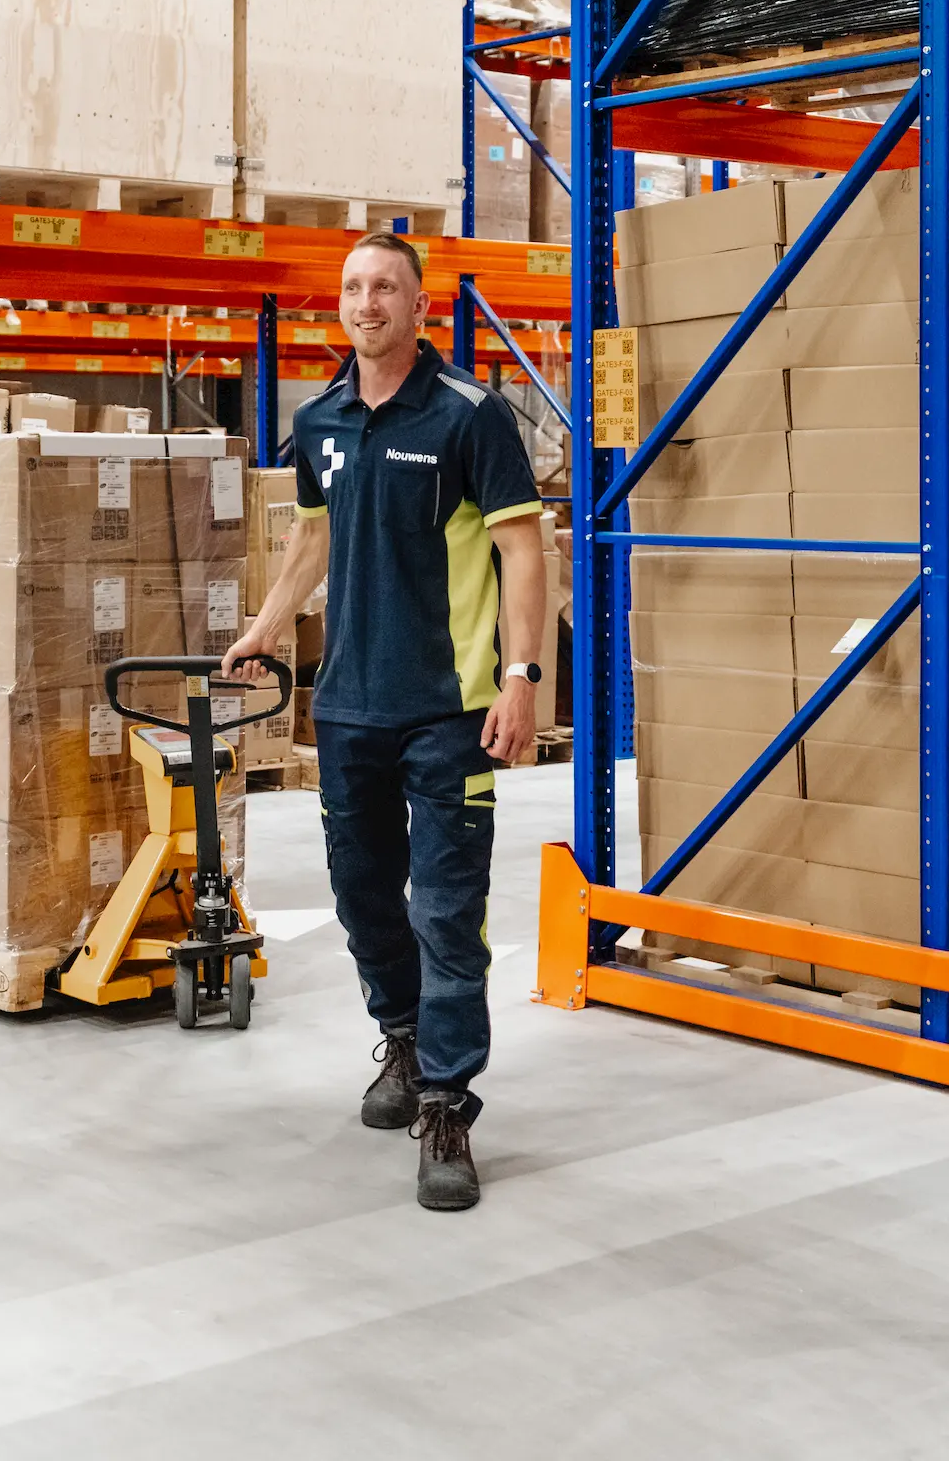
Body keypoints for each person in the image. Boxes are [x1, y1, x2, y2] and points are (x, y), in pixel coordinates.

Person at [224, 229, 545, 1212]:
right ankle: (401, 1040)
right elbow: (313, 536)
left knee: (448, 910)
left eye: (386, 288)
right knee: (363, 894)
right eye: (355, 287)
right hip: (351, 706)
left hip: (450, 709)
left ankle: (446, 1102)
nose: (368, 302)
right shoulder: (319, 418)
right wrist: (268, 626)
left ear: (418, 306)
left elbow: (527, 555)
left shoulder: (469, 417)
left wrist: (523, 676)